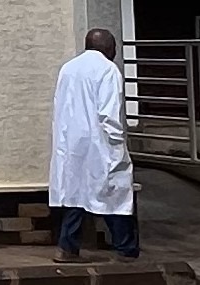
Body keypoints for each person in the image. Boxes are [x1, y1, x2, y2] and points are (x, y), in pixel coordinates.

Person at [50, 28, 137, 262]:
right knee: (116, 195)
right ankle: (126, 250)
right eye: (115, 47)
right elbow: (109, 115)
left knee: (75, 195)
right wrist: (118, 145)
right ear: (108, 47)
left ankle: (67, 247)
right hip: (101, 144)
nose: (116, 52)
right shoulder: (108, 70)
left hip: (72, 145)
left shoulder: (68, 68)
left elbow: (61, 106)